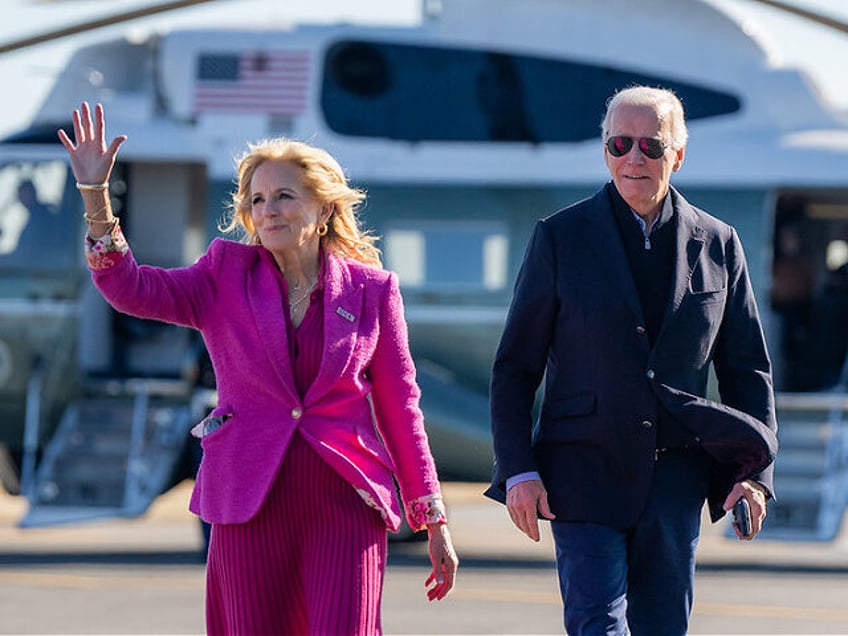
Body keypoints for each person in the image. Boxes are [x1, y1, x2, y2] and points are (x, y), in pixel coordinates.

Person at [59, 102, 458, 635]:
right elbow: (130, 286)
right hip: (248, 501)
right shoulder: (224, 274)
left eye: (284, 196)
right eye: (258, 199)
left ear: (323, 210)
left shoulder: (373, 292)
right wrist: (95, 197)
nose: (268, 210)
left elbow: (400, 408)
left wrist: (431, 516)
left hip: (342, 503)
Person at [485, 86, 777, 635]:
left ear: (679, 154)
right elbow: (515, 368)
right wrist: (518, 470)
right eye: (620, 144)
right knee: (598, 625)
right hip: (581, 475)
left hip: (675, 481)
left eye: (650, 144)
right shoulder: (559, 238)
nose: (634, 158)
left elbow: (747, 370)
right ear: (605, 151)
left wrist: (754, 473)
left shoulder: (719, 244)